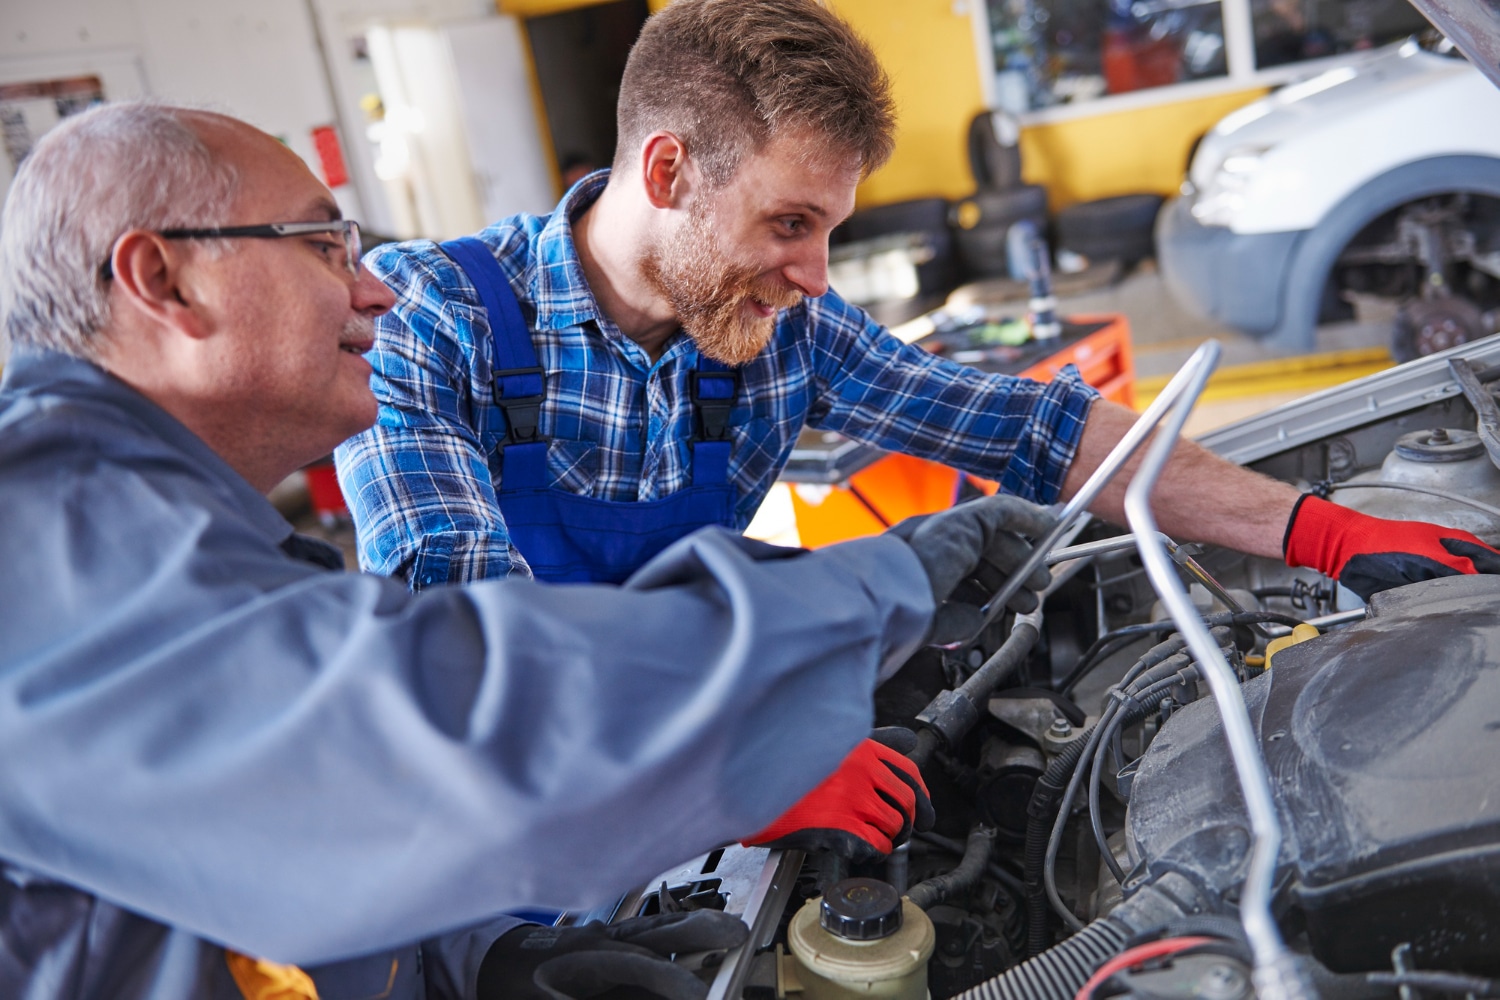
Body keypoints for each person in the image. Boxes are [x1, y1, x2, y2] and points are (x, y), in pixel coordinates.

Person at [0, 101, 1056, 1000]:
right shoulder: (41, 541)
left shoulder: (188, 539)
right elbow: (442, 727)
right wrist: (870, 590)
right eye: (326, 246)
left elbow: (294, 856)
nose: (373, 289)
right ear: (163, 280)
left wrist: (490, 958)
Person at [337, 0, 1500, 606]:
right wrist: (721, 773)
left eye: (831, 230)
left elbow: (1031, 431)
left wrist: (1311, 528)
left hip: (675, 733)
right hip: (501, 838)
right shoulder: (425, 325)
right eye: (791, 223)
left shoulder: (777, 331)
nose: (816, 275)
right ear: (667, 173)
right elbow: (460, 636)